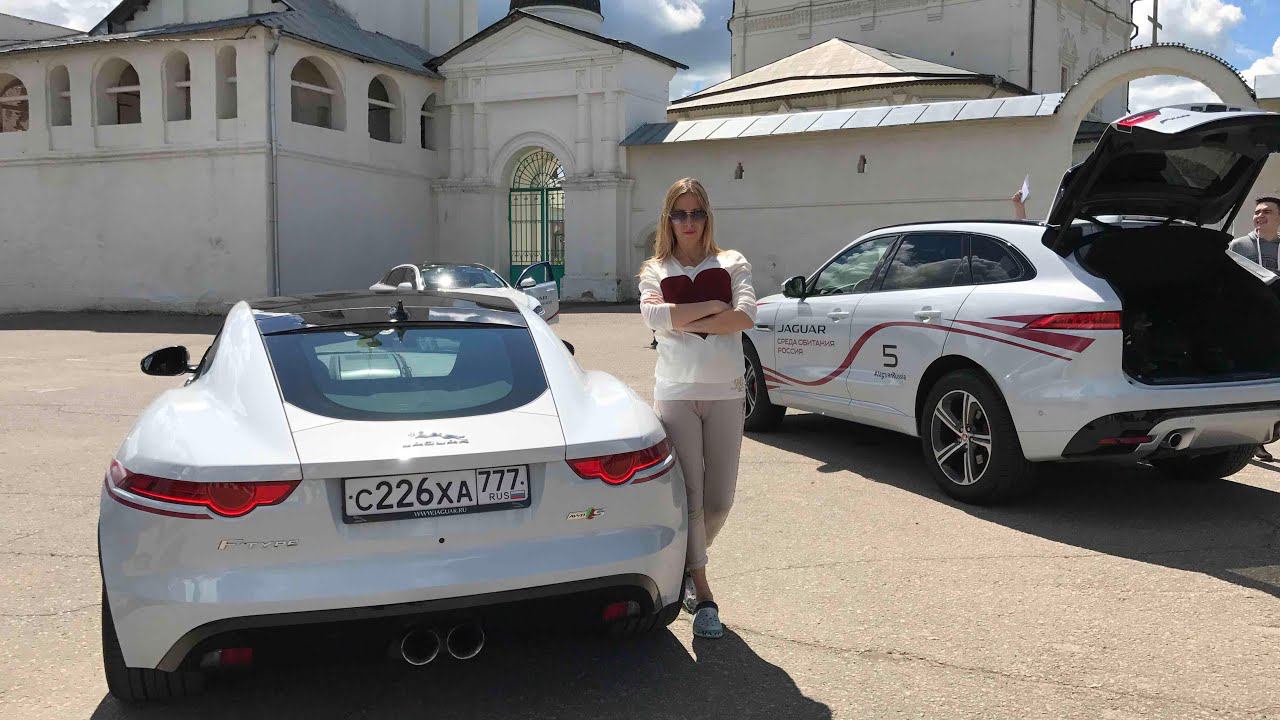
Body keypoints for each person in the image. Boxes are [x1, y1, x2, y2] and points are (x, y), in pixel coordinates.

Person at [638, 178, 755, 640]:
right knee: (690, 496)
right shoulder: (655, 269)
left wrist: (679, 317)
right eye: (680, 214)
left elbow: (745, 315)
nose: (689, 222)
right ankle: (703, 591)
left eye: (697, 213)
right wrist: (710, 304)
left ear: (708, 217)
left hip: (726, 392)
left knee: (719, 500)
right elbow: (653, 318)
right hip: (676, 391)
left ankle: (688, 562)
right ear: (668, 220)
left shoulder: (732, 262)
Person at [1228, 196, 1280, 462]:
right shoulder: (1239, 246)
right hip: (1249, 325)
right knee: (1256, 380)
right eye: (1257, 212)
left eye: (1267, 212)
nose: (1260, 216)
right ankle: (1254, 440)